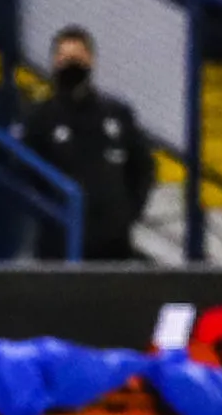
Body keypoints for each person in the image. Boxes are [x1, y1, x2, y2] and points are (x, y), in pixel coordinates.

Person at [14, 26, 154, 261]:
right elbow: (22, 173)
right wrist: (49, 215)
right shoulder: (39, 117)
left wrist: (127, 214)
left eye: (78, 58)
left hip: (113, 247)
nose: (71, 65)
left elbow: (143, 167)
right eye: (65, 58)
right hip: (59, 248)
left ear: (91, 61)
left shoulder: (117, 113)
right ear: (54, 62)